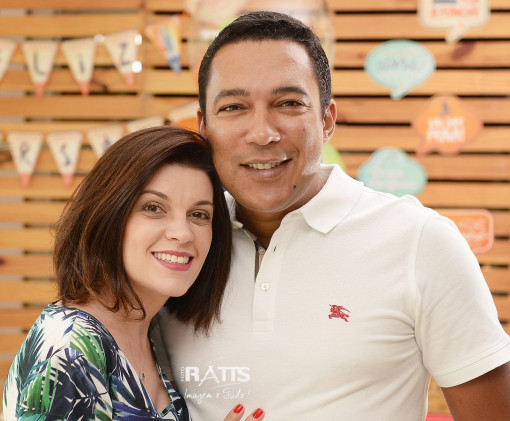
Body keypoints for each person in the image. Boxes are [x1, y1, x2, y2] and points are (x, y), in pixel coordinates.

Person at [156, 11, 510, 421]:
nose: (262, 132)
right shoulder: (176, 247)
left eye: (288, 103)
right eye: (234, 107)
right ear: (203, 127)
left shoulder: (421, 242)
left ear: (326, 120)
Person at [3, 126, 265, 421]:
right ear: (109, 216)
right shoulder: (71, 349)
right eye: (154, 207)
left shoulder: (148, 331)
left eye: (198, 214)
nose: (182, 233)